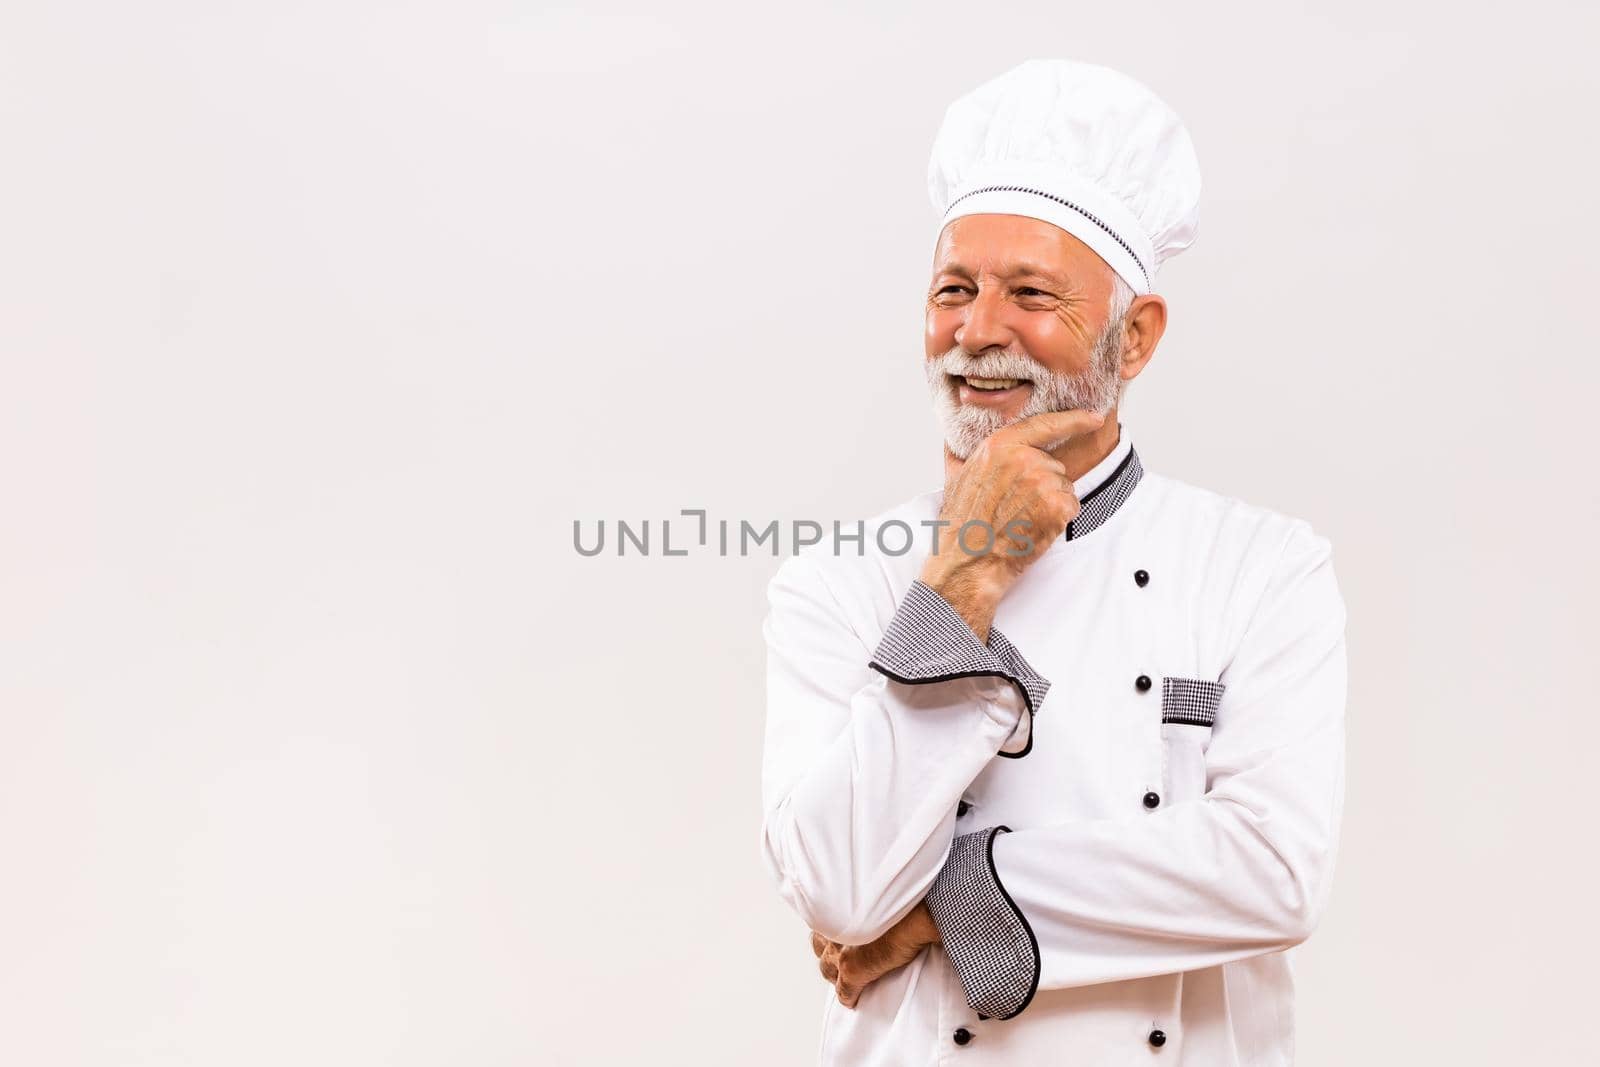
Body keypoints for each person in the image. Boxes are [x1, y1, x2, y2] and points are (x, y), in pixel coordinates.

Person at [757, 58, 1348, 1065]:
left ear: (1136, 337)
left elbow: (1272, 872)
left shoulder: (1262, 566)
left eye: (1031, 292)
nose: (977, 329)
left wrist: (947, 900)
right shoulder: (835, 581)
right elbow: (841, 886)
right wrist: (961, 580)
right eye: (954, 288)